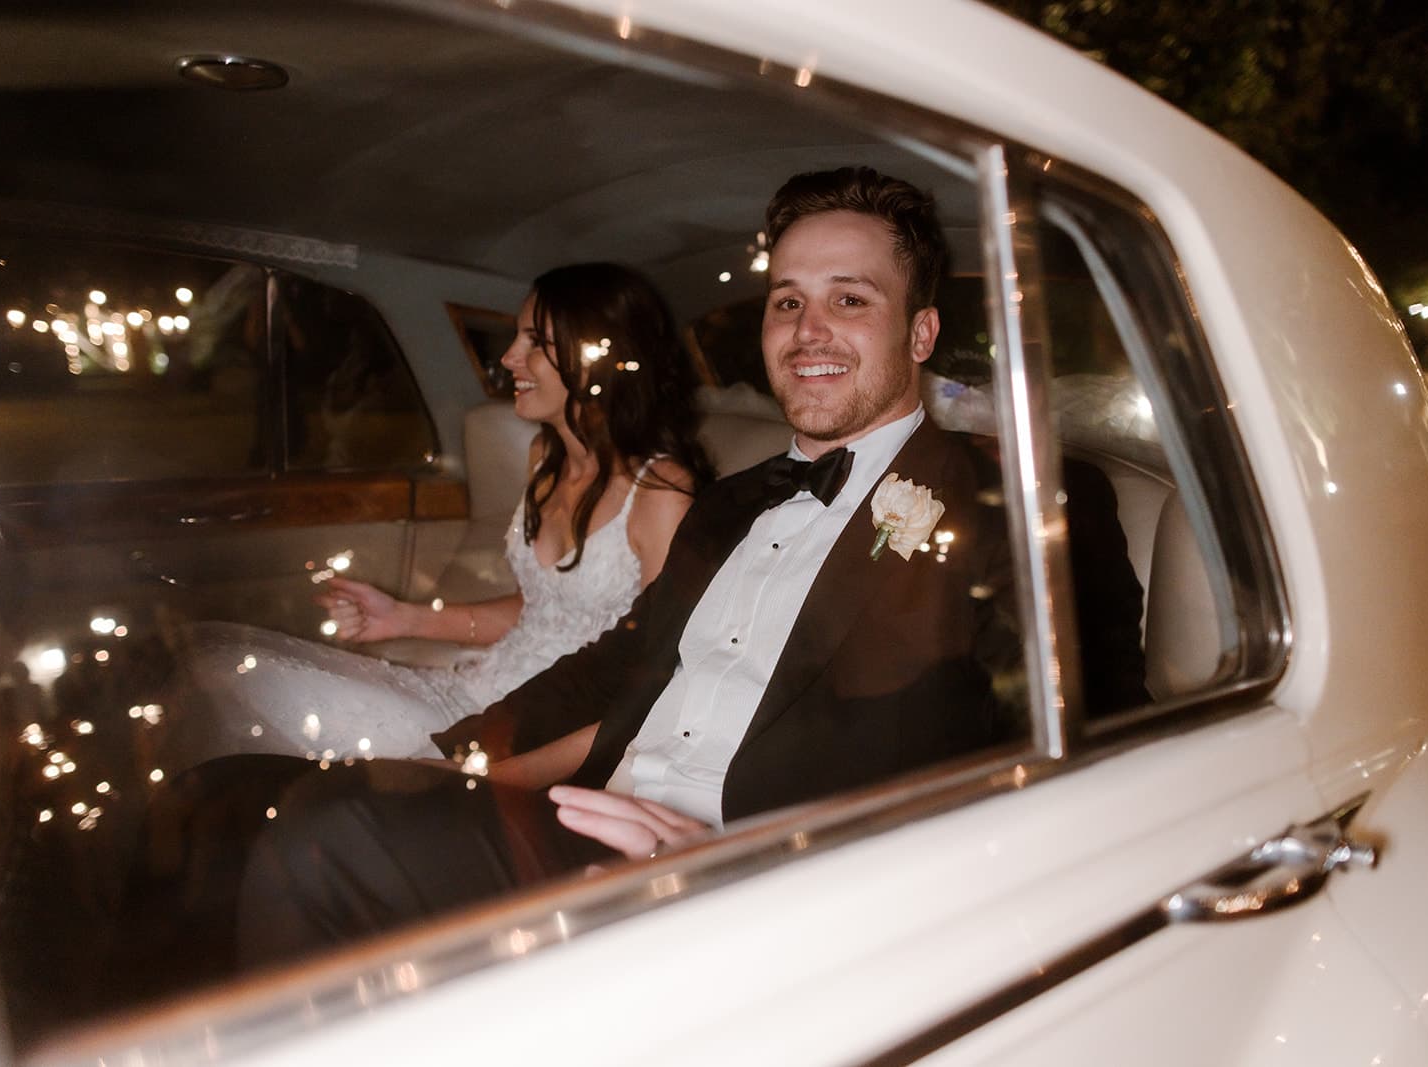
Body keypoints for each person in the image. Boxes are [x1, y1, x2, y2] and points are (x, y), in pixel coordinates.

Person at [109, 167, 1145, 996]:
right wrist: (460, 754)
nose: (807, 330)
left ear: (919, 333)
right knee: (252, 799)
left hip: (766, 881)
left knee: (327, 837)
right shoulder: (731, 503)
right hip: (594, 816)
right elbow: (621, 656)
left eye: (850, 300)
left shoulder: (1019, 502)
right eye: (787, 300)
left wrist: (765, 853)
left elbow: (1087, 753)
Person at [155, 263, 715, 771]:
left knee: (233, 674)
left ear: (596, 357)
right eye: (517, 337)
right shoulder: (545, 459)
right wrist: (403, 619)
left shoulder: (662, 495)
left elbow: (657, 674)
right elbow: (546, 610)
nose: (509, 358)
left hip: (526, 728)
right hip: (470, 687)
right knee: (214, 661)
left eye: (535, 343)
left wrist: (513, 774)